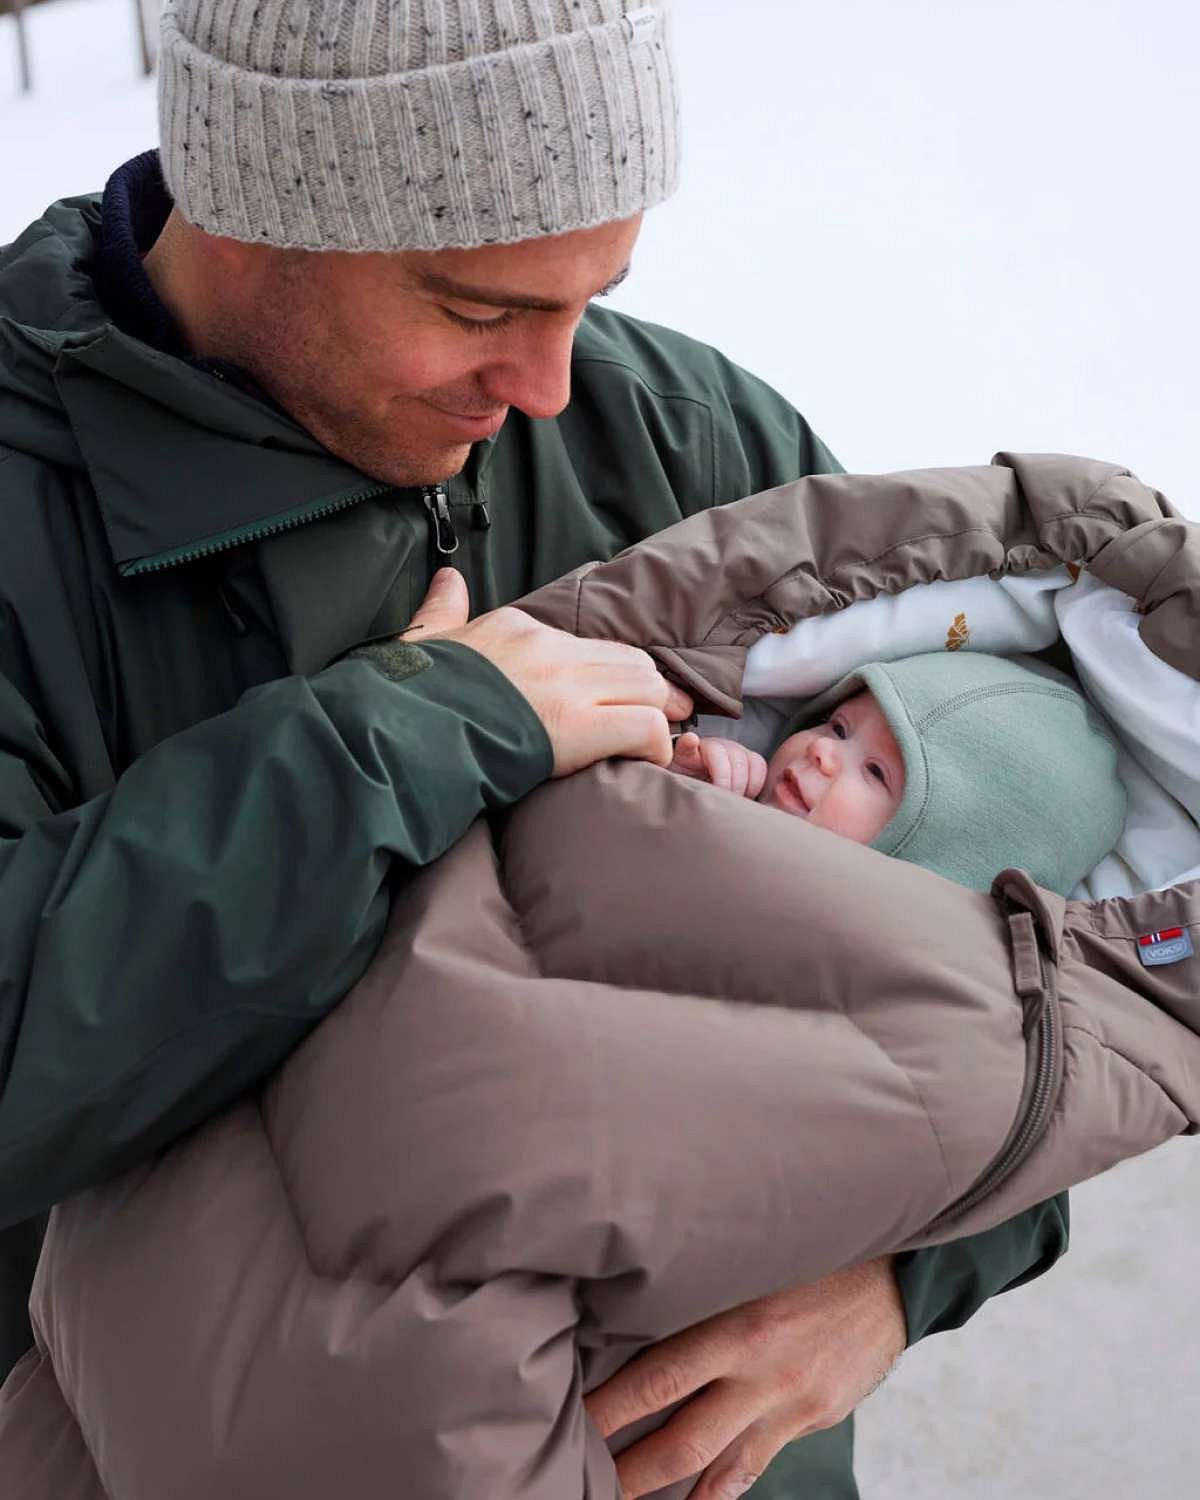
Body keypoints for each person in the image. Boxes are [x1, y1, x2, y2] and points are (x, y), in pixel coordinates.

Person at [0, 3, 1069, 1495]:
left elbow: (1058, 933)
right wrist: (402, 739)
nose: (553, 387)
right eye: (477, 308)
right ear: (252, 210)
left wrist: (905, 1274)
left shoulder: (687, 441)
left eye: (594, 296)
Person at [670, 651, 1127, 895]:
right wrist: (676, 784)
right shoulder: (728, 794)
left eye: (875, 772)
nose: (823, 751)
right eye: (838, 726)